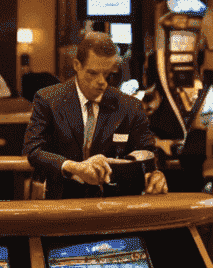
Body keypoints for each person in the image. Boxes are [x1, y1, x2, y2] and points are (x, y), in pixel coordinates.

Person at [23, 33, 169, 199]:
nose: (101, 82)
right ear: (77, 65)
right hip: (61, 200)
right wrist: (74, 167)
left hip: (113, 203)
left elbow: (147, 150)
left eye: (107, 74)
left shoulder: (129, 106)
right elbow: (33, 150)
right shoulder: (49, 99)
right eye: (93, 73)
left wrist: (154, 173)